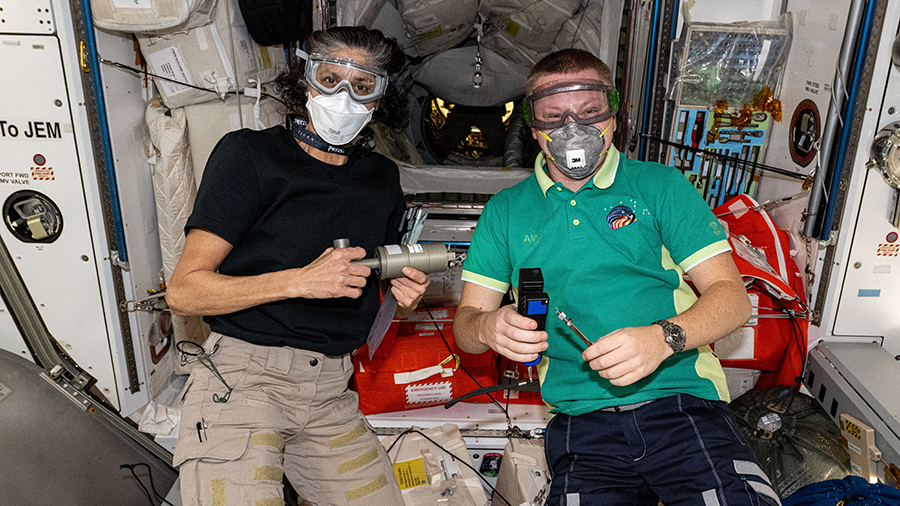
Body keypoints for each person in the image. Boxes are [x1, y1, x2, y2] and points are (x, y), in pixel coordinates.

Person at [454, 48, 781, 506]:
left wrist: (662, 339)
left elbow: (731, 298)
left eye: (590, 112)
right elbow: (466, 328)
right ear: (533, 129)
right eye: (553, 116)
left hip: (683, 406)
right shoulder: (505, 213)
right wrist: (488, 326)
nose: (574, 129)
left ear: (613, 117)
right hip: (580, 423)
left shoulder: (661, 186)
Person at [165, 27, 430, 506]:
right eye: (330, 79)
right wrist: (300, 281)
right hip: (244, 381)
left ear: (380, 98)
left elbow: (368, 279)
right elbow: (184, 292)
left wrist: (402, 293)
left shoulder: (380, 178)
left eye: (363, 86)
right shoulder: (250, 155)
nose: (344, 97)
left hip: (330, 390)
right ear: (305, 80)